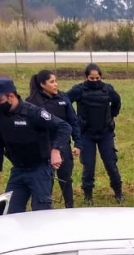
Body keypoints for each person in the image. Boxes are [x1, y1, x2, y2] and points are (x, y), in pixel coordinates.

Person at [0, 77, 72, 215]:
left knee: (41, 213)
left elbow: (64, 127)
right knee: (11, 211)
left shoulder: (34, 112)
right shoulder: (0, 116)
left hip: (39, 169)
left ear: (11, 96)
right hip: (18, 170)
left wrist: (55, 150)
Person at [66, 64, 123, 204]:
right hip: (86, 134)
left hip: (105, 133)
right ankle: (88, 195)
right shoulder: (79, 90)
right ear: (86, 77)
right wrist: (75, 119)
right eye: (92, 78)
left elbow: (117, 102)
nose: (95, 80)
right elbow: (65, 102)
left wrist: (111, 116)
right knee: (88, 166)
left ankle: (118, 192)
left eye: (97, 78)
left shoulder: (108, 89)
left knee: (111, 164)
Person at [27, 70, 81, 209]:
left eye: (56, 81)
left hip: (63, 145)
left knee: (65, 178)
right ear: (42, 84)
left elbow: (73, 121)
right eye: (52, 82)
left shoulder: (63, 98)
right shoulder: (32, 102)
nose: (56, 84)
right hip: (43, 148)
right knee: (46, 180)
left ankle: (70, 207)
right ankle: (46, 208)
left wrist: (78, 143)